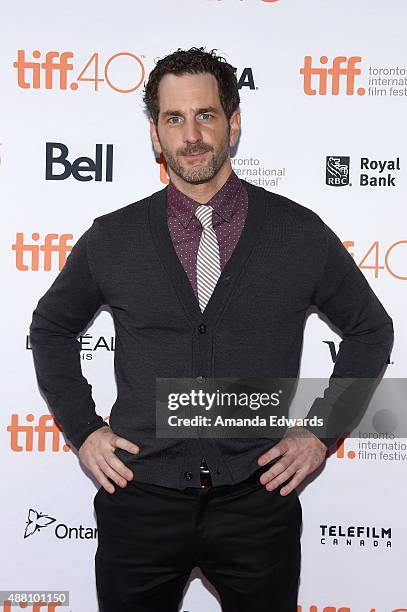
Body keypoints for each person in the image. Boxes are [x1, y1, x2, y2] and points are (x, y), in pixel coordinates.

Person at [29, 47, 394, 612]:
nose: (191, 135)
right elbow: (51, 328)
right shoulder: (114, 237)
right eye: (174, 119)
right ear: (155, 133)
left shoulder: (297, 233)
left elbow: (371, 329)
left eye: (206, 115)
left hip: (257, 501)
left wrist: (320, 432)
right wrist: (83, 429)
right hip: (139, 498)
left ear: (235, 123)